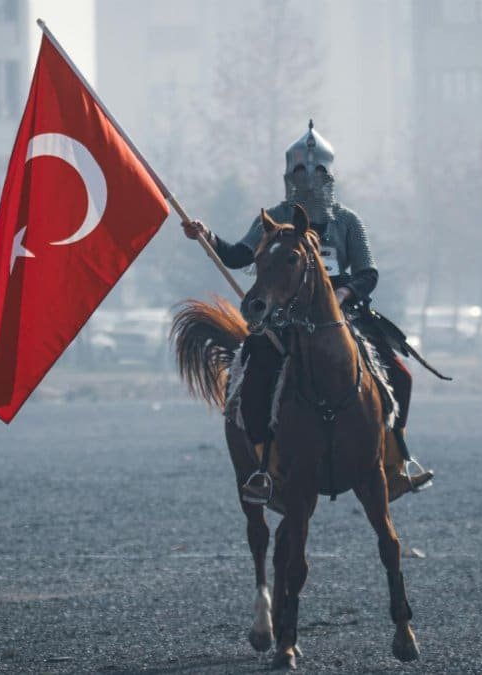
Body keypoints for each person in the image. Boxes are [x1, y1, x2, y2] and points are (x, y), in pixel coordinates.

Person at [182, 120, 433, 502]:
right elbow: (237, 256)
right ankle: (265, 469)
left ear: (329, 176)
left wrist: (346, 292)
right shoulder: (274, 220)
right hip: (285, 318)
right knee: (255, 381)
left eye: (317, 172)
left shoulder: (347, 221)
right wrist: (207, 236)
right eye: (301, 172)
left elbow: (368, 273)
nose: (309, 180)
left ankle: (395, 461)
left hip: (343, 317)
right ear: (289, 175)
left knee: (400, 375)